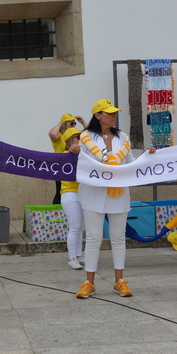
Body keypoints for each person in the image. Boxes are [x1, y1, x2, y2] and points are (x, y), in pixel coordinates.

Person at [69, 99, 155, 299]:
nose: (114, 115)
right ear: (98, 115)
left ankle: (119, 281)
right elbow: (79, 163)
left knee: (118, 238)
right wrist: (74, 152)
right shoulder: (84, 137)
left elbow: (130, 164)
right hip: (93, 193)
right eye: (109, 113)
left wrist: (146, 156)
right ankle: (89, 283)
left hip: (118, 193)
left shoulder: (122, 137)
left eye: (115, 112)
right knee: (93, 238)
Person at [59, 127, 85, 270]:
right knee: (74, 227)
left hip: (82, 193)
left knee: (79, 227)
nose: (80, 139)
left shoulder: (82, 153)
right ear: (70, 140)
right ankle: (72, 258)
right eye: (77, 137)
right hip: (70, 193)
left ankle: (78, 255)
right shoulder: (65, 155)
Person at [49, 113, 88, 205]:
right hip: (61, 166)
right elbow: (52, 133)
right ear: (64, 124)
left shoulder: (76, 135)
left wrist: (82, 122)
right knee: (60, 190)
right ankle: (58, 213)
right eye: (71, 124)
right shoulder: (59, 136)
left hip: (75, 165)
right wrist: (61, 122)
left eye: (75, 124)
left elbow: (92, 134)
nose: (73, 126)